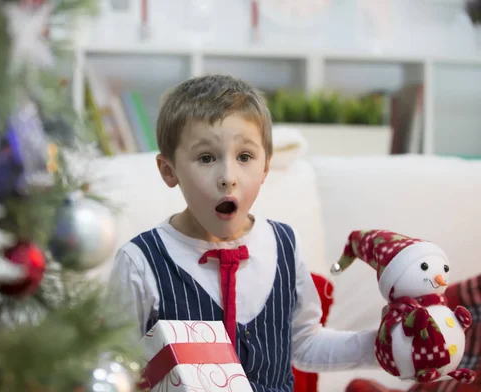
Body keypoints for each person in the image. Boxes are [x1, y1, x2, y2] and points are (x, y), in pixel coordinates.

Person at [107, 74, 378, 392]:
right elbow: (116, 369)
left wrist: (381, 346)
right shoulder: (140, 262)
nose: (228, 177)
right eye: (206, 158)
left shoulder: (284, 246)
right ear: (169, 170)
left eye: (245, 157)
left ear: (265, 167)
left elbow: (304, 344)